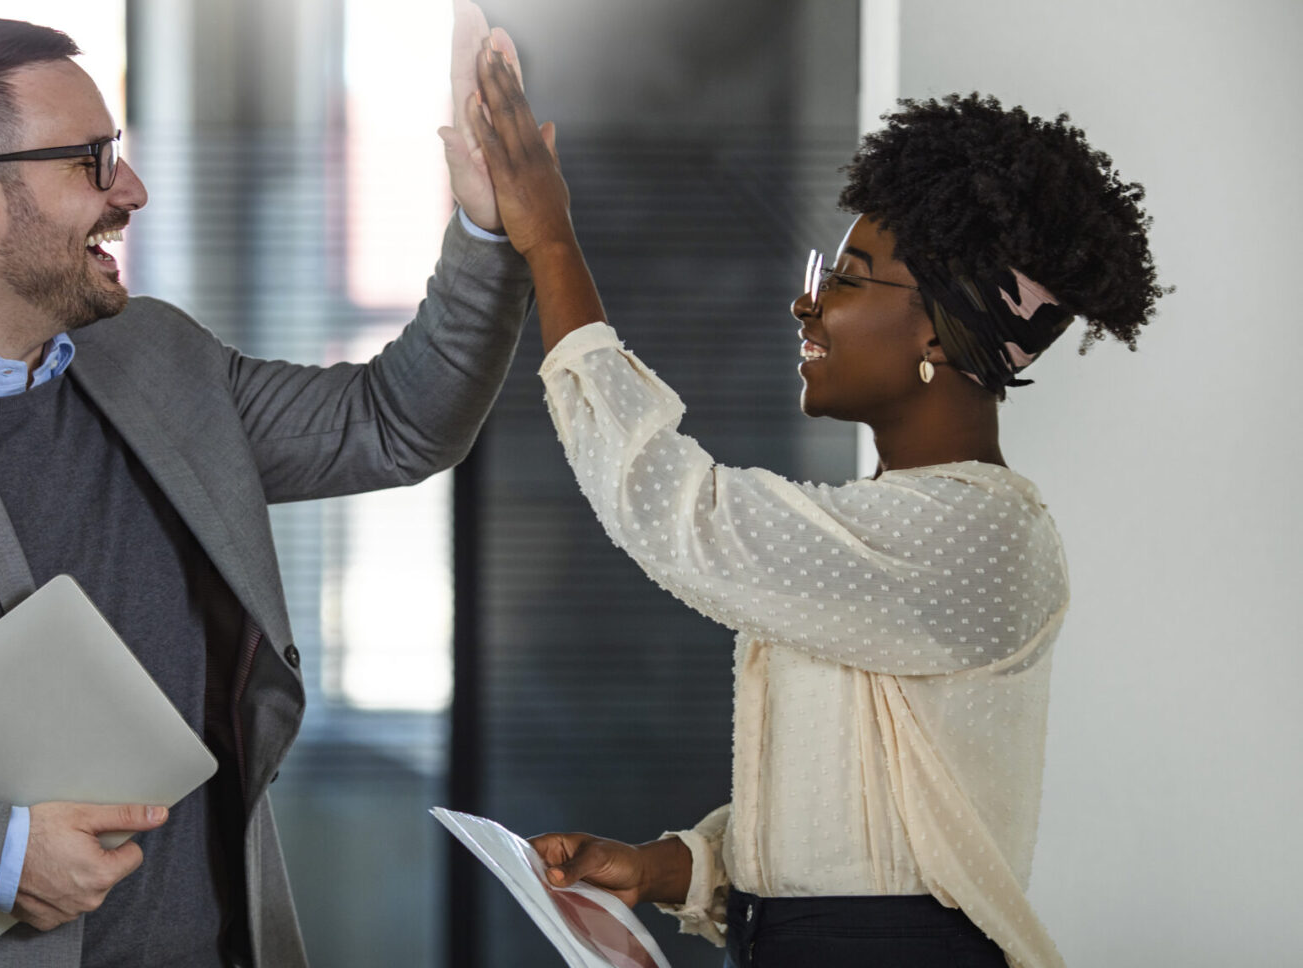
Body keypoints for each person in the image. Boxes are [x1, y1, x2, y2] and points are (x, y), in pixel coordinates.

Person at [0, 0, 530, 968]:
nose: (129, 188)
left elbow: (396, 424)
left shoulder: (157, 360)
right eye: (92, 159)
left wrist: (486, 221)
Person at [464, 47, 1163, 968]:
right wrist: (673, 867)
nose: (808, 303)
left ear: (938, 329)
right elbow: (848, 821)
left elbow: (681, 515)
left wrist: (551, 243)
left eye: (849, 275)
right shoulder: (889, 531)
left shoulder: (979, 534)